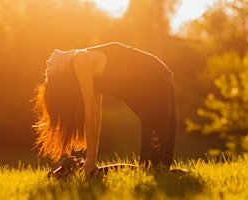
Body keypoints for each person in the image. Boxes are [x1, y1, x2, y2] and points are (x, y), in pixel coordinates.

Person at [34, 42, 176, 174]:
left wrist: (91, 158)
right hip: (154, 89)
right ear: (62, 68)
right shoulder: (81, 60)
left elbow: (92, 112)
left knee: (153, 170)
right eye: (49, 70)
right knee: (155, 169)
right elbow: (95, 113)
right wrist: (92, 158)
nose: (47, 63)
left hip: (156, 83)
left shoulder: (81, 57)